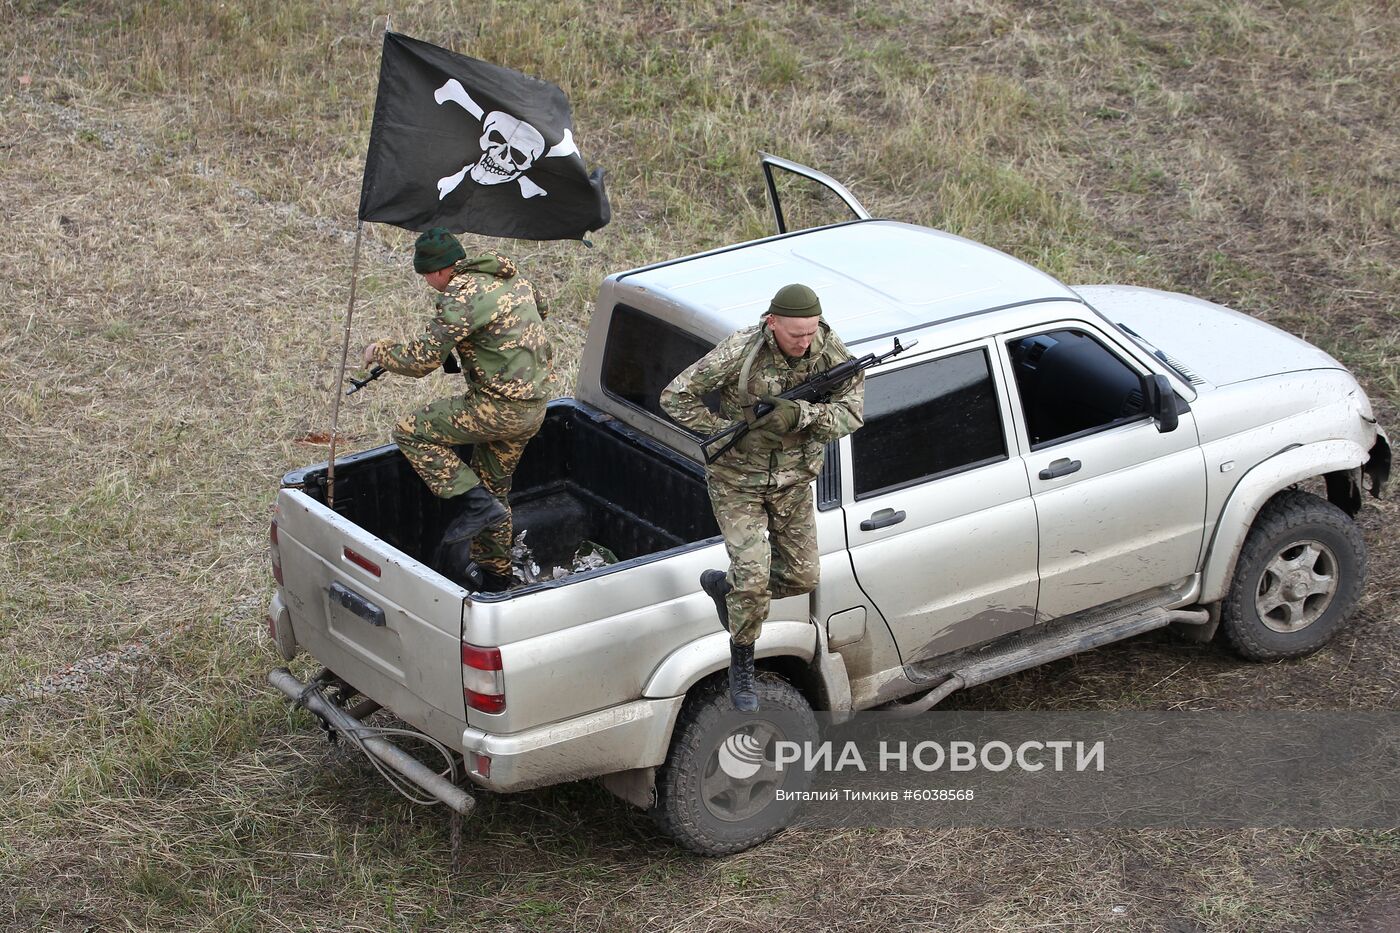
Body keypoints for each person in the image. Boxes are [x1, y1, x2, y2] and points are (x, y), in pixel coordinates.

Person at [660, 284, 864, 711]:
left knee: (803, 578)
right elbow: (675, 396)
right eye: (795, 334)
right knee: (754, 577)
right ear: (772, 323)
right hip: (738, 482)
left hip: (792, 483)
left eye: (811, 332)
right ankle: (743, 659)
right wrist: (727, 433)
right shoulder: (740, 351)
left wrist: (804, 415)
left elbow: (852, 414)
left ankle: (728, 591)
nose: (804, 342)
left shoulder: (830, 351)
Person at [363, 227, 552, 592]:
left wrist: (380, 351)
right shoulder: (510, 279)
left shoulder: (462, 295)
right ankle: (497, 579)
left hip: (499, 407)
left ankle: (474, 503)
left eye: (425, 277)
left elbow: (422, 361)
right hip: (533, 408)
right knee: (495, 491)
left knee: (411, 430)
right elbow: (541, 308)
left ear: (436, 271)